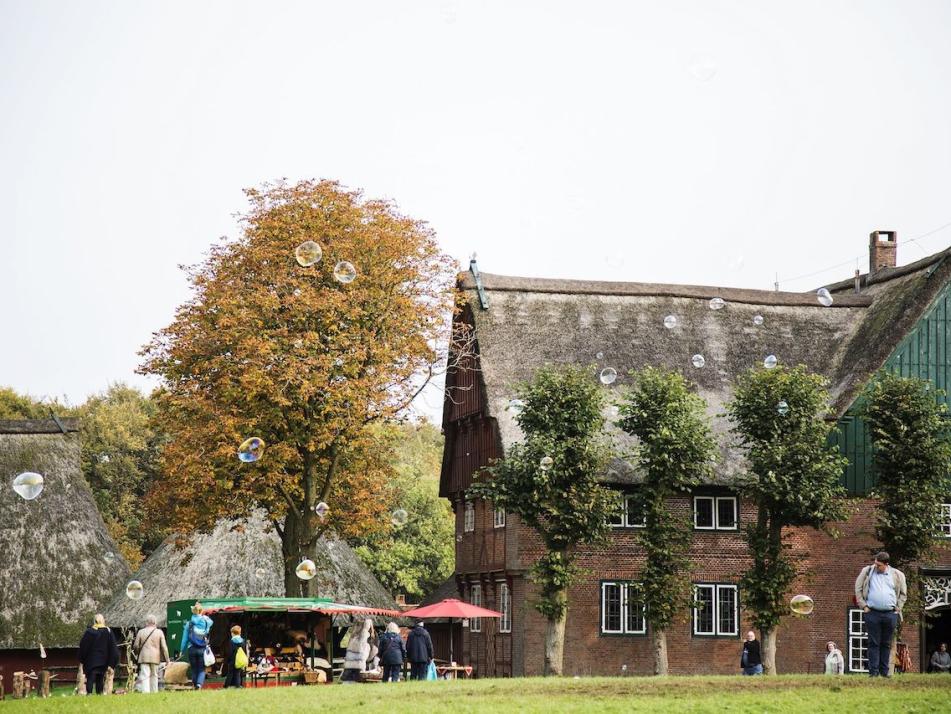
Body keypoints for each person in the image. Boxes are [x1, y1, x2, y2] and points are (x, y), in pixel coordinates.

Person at [854, 551, 907, 678]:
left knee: (886, 643)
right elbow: (858, 588)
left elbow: (903, 594)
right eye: (875, 564)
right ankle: (873, 672)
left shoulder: (897, 575)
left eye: (879, 565)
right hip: (872, 613)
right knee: (873, 643)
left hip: (890, 614)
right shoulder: (867, 572)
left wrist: (898, 609)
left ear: (886, 564)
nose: (876, 567)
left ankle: (884, 672)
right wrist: (864, 606)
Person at [78, 614, 119, 695]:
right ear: (103, 620)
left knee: (91, 676)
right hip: (104, 659)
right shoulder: (108, 631)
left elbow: (83, 646)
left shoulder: (89, 632)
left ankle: (89, 693)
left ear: (94, 621)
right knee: (100, 677)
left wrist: (82, 658)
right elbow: (113, 647)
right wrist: (112, 661)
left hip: (91, 660)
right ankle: (99, 693)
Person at [180, 602, 214, 689]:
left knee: (194, 669)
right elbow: (211, 623)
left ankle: (195, 685)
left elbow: (185, 639)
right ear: (201, 611)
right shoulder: (206, 622)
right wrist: (205, 617)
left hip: (191, 648)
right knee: (201, 669)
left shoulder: (189, 624)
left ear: (193, 612)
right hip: (202, 648)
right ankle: (199, 685)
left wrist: (182, 650)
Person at [133, 614, 170, 693]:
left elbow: (135, 645)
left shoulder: (141, 632)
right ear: (155, 622)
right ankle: (154, 692)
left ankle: (145, 692)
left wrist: (138, 653)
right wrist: (167, 660)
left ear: (147, 622)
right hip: (155, 657)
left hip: (144, 657)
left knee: (145, 675)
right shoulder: (159, 632)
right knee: (154, 675)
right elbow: (164, 647)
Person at [341, 619, 377, 683]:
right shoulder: (362, 638)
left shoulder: (352, 638)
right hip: (358, 666)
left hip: (348, 666)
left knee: (347, 684)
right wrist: (370, 622)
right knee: (357, 683)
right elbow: (366, 628)